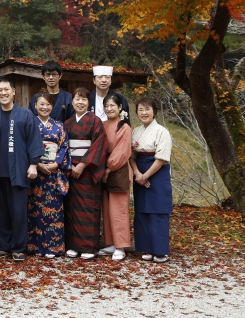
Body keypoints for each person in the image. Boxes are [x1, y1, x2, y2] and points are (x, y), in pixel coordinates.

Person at [0, 77, 45, 262]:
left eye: (6, 89)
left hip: (19, 171)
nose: (3, 93)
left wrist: (34, 164)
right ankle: (3, 246)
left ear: (13, 92)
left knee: (19, 211)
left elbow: (33, 140)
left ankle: (18, 247)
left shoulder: (26, 115)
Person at [63, 87, 108, 260]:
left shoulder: (95, 121)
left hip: (87, 171)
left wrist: (82, 165)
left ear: (88, 103)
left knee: (88, 209)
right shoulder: (67, 123)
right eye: (77, 99)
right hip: (70, 170)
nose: (80, 102)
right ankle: (73, 246)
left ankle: (89, 247)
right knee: (71, 208)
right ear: (72, 101)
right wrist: (69, 166)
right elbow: (63, 148)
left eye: (83, 99)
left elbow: (99, 145)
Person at [27, 90, 71, 259]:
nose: (45, 107)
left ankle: (53, 246)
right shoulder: (30, 123)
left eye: (48, 104)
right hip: (35, 172)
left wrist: (55, 164)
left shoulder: (59, 126)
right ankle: (35, 245)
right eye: (41, 104)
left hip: (53, 173)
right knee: (35, 209)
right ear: (35, 105)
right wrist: (37, 164)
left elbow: (64, 147)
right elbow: (25, 146)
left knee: (53, 210)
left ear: (52, 106)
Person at [129, 97, 173, 264]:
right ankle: (146, 247)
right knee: (142, 212)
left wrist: (145, 176)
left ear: (154, 111)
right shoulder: (136, 132)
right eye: (140, 109)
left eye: (147, 109)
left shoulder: (162, 131)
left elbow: (162, 158)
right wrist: (137, 174)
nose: (144, 112)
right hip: (139, 170)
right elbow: (131, 156)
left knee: (157, 211)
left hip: (157, 172)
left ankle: (160, 251)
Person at [98, 93, 132, 261]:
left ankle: (121, 245)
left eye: (113, 105)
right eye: (106, 106)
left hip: (117, 169)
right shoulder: (103, 124)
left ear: (120, 107)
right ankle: (111, 242)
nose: (109, 108)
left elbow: (122, 151)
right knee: (107, 208)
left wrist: (108, 168)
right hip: (103, 168)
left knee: (118, 209)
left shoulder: (124, 127)